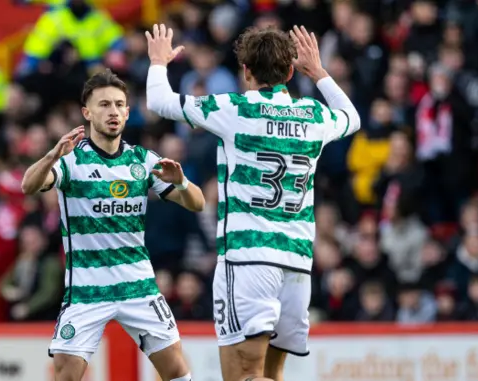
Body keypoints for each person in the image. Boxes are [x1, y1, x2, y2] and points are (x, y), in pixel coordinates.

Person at [145, 24, 361, 381]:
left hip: (247, 259)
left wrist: (157, 61)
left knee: (245, 376)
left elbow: (160, 101)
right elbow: (351, 118)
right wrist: (320, 72)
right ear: (291, 72)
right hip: (296, 263)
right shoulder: (314, 115)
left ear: (246, 72)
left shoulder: (235, 109)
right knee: (272, 375)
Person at [21, 69, 204, 381]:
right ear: (87, 113)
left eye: (119, 104)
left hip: (138, 286)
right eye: (104, 104)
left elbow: (197, 203)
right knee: (65, 374)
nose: (113, 111)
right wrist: (52, 155)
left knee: (176, 370)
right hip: (86, 292)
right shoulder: (71, 162)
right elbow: (29, 185)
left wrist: (183, 182)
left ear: (128, 112)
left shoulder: (143, 161)